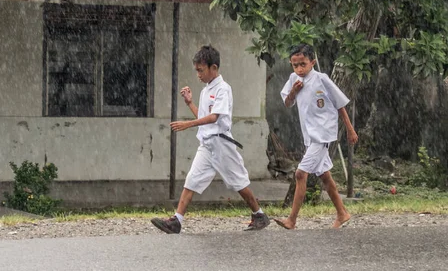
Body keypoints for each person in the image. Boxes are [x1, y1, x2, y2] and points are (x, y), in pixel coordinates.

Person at [151, 45, 270, 234]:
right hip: (207, 144)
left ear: (213, 68)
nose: (198, 74)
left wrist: (188, 124)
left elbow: (214, 118)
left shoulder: (223, 89)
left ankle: (259, 214)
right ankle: (176, 221)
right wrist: (190, 103)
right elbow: (204, 116)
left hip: (221, 143)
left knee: (238, 181)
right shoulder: (206, 90)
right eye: (197, 70)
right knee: (191, 180)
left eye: (201, 70)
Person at [274, 43, 358, 230]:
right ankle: (342, 213)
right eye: (295, 65)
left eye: (303, 64)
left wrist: (350, 129)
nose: (299, 69)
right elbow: (288, 103)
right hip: (309, 136)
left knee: (300, 174)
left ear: (312, 62)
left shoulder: (322, 79)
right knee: (325, 177)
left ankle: (292, 220)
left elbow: (339, 104)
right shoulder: (293, 79)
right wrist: (294, 91)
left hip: (323, 134)